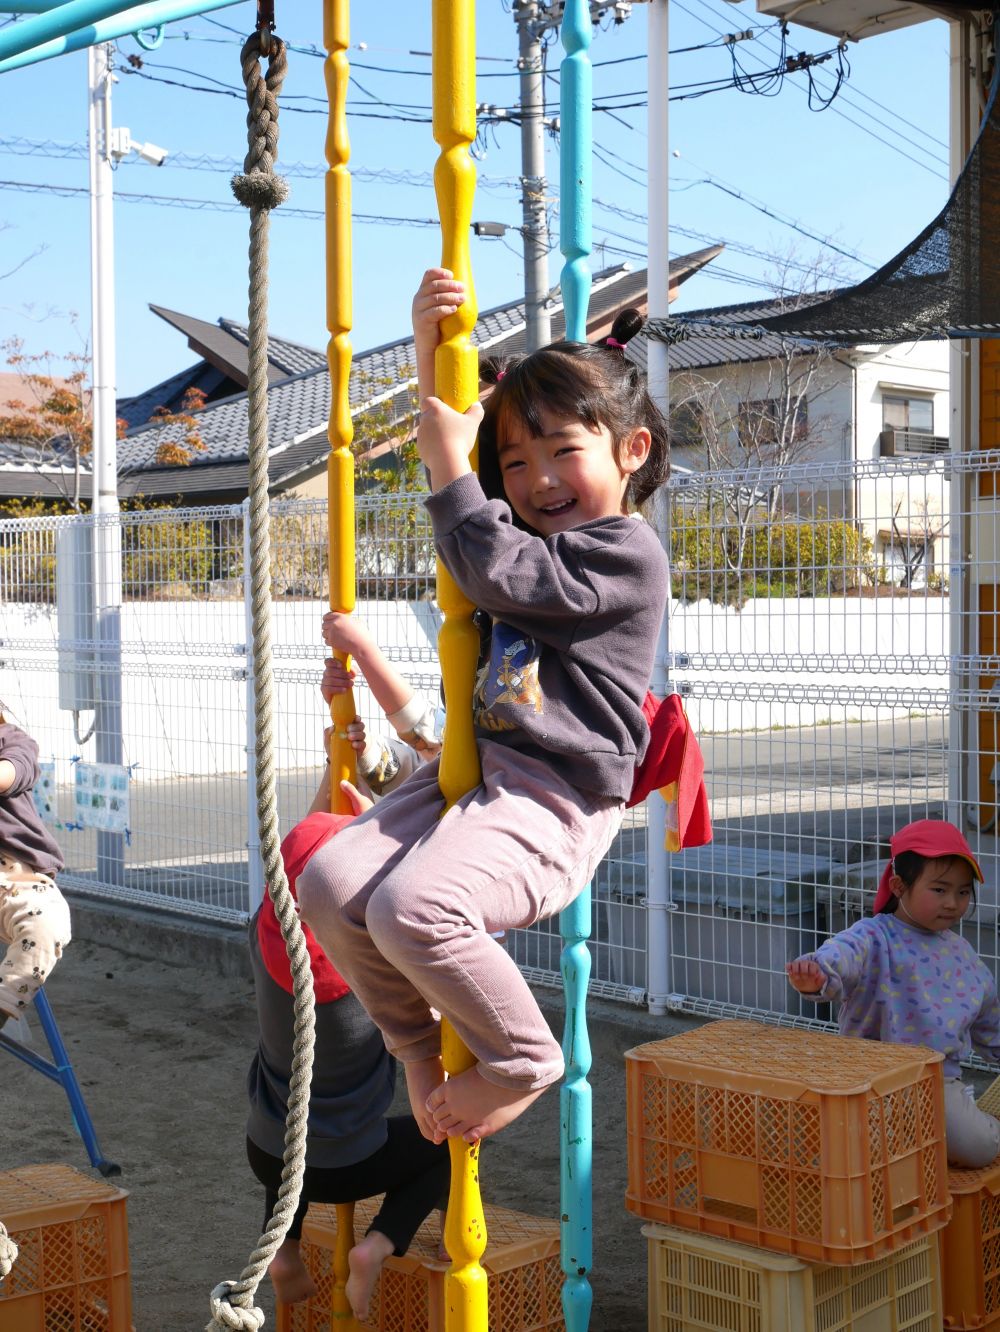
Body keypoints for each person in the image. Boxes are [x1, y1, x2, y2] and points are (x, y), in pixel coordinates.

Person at [298, 267, 671, 1147]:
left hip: (558, 796)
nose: (539, 479)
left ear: (632, 450)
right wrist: (428, 352)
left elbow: (497, 564)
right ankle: (414, 1046)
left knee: (413, 907)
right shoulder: (524, 535)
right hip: (477, 775)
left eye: (562, 452)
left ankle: (523, 1057)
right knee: (329, 882)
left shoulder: (625, 552)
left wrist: (447, 464)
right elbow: (462, 480)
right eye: (514, 462)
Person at [246, 665, 449, 1319]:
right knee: (442, 1154)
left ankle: (283, 1248)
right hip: (347, 1167)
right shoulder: (381, 969)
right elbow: (398, 879)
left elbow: (307, 846)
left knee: (286, 1109)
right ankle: (376, 1247)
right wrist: (374, 823)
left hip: (266, 1155)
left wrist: (341, 758)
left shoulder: (266, 931)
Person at [787, 818, 1000, 1168]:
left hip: (935, 1083)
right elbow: (842, 953)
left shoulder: (964, 955)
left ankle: (979, 1122)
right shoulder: (873, 935)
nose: (952, 903)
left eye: (963, 892)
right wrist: (818, 973)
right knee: (843, 1155)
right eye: (939, 890)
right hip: (864, 1081)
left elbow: (989, 1018)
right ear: (899, 886)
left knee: (979, 1146)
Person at [0, 705, 70, 1025]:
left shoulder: (12, 741)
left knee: (46, 922)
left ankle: (4, 1003)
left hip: (18, 879)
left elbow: (10, 773)